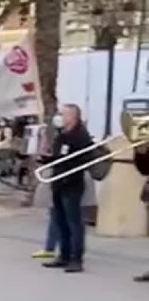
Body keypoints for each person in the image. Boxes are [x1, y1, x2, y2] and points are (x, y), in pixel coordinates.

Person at [38, 104, 93, 273]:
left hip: (72, 184)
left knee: (74, 222)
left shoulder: (80, 136)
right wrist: (45, 157)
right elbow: (57, 157)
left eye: (63, 114)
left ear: (73, 117)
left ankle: (76, 259)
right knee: (60, 221)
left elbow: (80, 159)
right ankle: (64, 255)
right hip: (59, 183)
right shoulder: (61, 135)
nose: (59, 117)